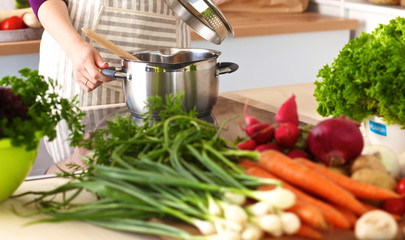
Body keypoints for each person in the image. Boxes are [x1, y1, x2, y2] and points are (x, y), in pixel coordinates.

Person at [28, 0, 225, 174]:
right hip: (81, 67)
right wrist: (74, 47)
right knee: (81, 182)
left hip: (167, 79)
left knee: (164, 183)